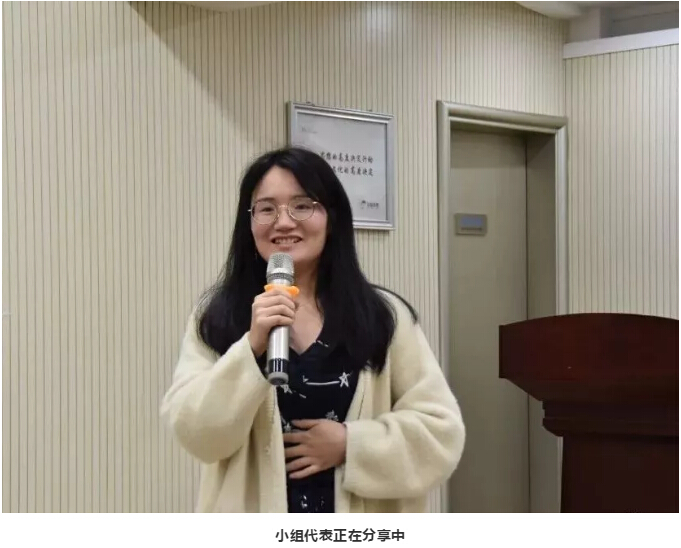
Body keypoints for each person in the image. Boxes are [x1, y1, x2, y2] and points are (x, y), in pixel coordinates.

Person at [160, 146, 465, 512]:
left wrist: (351, 445)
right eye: (266, 209)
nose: (283, 222)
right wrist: (251, 348)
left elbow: (441, 432)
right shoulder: (217, 316)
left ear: (331, 217)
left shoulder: (383, 316)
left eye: (302, 205)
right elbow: (195, 434)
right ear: (249, 222)